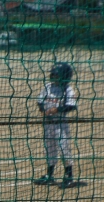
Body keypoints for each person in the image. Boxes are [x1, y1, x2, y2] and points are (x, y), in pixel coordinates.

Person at [33, 62, 77, 190]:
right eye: (53, 74)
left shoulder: (68, 89)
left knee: (64, 149)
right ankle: (49, 175)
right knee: (50, 148)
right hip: (48, 123)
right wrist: (43, 110)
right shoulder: (48, 87)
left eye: (56, 75)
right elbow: (40, 101)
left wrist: (56, 110)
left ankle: (69, 176)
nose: (53, 76)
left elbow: (71, 106)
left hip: (60, 124)